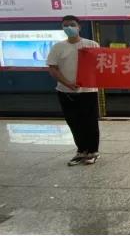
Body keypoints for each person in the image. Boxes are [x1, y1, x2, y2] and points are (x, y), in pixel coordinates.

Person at [47, 15, 100, 166]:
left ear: (79, 27)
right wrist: (67, 83)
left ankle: (93, 151)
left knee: (90, 122)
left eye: (72, 24)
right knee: (74, 122)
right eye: (65, 25)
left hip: (88, 91)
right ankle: (81, 151)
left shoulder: (91, 44)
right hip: (65, 91)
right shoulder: (58, 47)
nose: (69, 28)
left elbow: (101, 65)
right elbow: (52, 68)